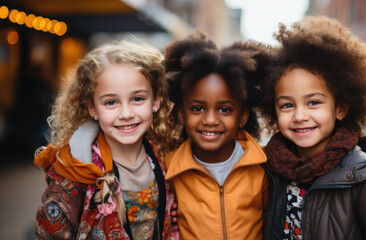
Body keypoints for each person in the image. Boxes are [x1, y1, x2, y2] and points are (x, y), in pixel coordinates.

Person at [260, 16, 366, 240]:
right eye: (287, 105)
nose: (300, 116)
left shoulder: (364, 177)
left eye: (314, 102)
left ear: (340, 108)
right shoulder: (268, 168)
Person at [34, 41, 179, 239]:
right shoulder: (75, 169)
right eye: (111, 102)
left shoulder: (164, 155)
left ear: (156, 100)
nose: (126, 113)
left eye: (138, 99)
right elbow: (50, 231)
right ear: (92, 108)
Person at [163, 32, 270, 239]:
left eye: (224, 110)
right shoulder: (169, 170)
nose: (210, 120)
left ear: (242, 116)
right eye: (197, 108)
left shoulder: (265, 167)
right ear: (181, 115)